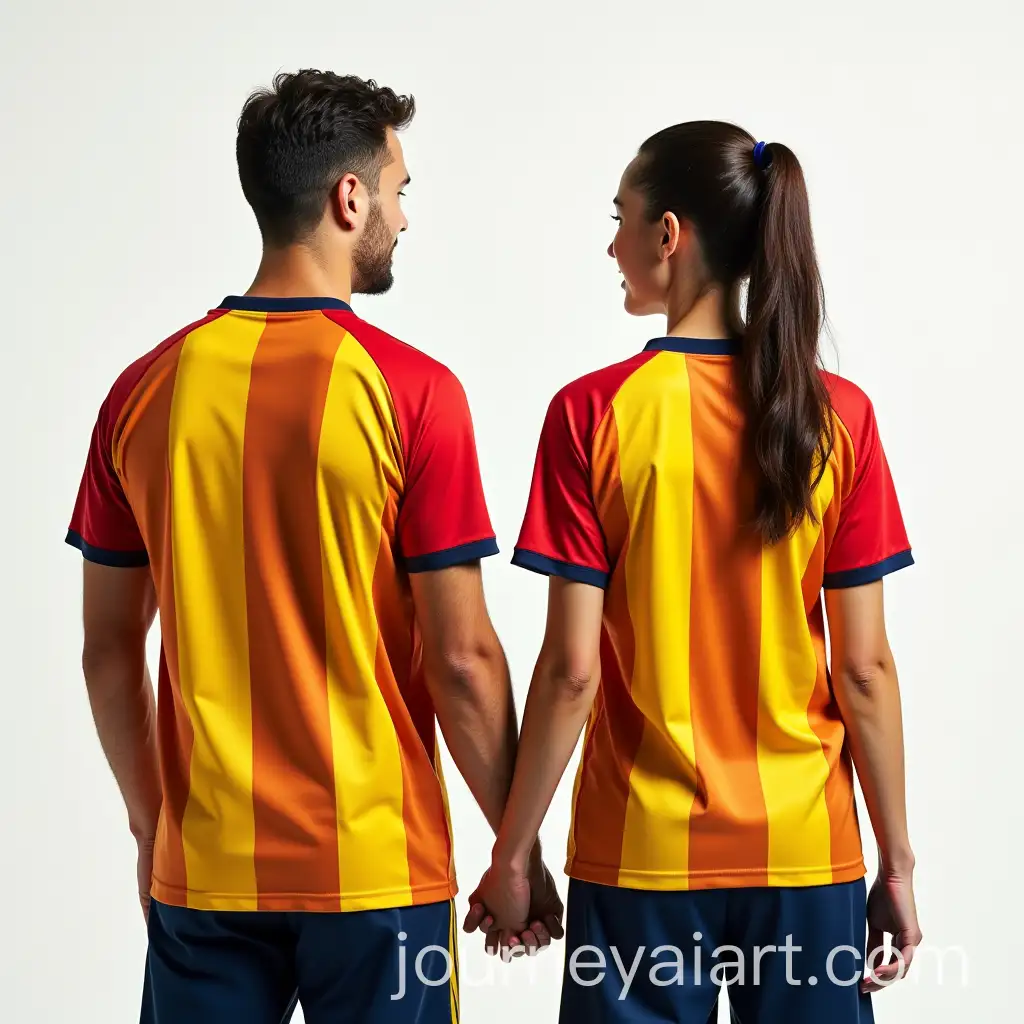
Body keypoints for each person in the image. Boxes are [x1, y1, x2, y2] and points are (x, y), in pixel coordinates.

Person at [66, 69, 561, 1024]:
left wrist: (151, 826)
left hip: (204, 868)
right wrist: (517, 850)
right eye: (400, 190)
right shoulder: (413, 393)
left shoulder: (141, 393)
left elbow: (105, 650)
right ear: (349, 198)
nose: (405, 218)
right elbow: (462, 661)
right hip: (376, 875)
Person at [466, 122, 921, 1023]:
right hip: (805, 852)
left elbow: (570, 672)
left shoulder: (593, 414)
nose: (612, 244)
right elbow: (862, 670)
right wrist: (898, 865)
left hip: (639, 854)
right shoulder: (839, 419)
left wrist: (513, 855)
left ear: (668, 235)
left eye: (621, 220)